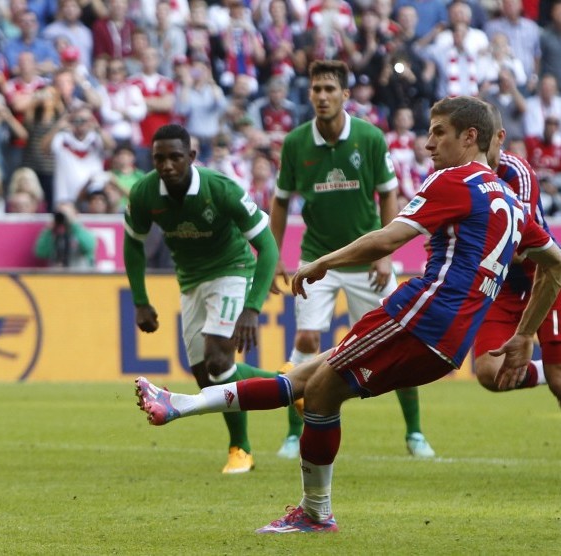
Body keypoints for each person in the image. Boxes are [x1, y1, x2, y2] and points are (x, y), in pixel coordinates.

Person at [136, 95, 561, 532]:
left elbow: (386, 240)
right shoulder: (509, 201)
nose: (428, 143)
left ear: (470, 137)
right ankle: (180, 405)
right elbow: (556, 266)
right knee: (304, 379)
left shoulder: (454, 181)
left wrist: (323, 261)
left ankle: (315, 512)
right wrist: (525, 334)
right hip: (447, 337)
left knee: (318, 393)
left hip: (419, 317)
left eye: (439, 132)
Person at [269, 60, 435, 460]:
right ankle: (294, 434)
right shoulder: (294, 143)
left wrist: (385, 254)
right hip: (317, 261)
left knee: (400, 343)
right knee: (306, 340)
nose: (322, 96)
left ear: (345, 95)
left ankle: (415, 433)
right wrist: (275, 257)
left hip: (367, 263)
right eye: (316, 90)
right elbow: (279, 202)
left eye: (330, 89)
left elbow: (388, 194)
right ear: (309, 94)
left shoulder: (369, 137)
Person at [124, 123, 283, 474]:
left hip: (232, 269)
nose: (166, 165)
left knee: (217, 359)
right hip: (191, 281)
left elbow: (266, 243)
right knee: (205, 377)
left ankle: (240, 448)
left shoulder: (220, 189)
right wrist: (140, 300)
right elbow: (133, 244)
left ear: (191, 157)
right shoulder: (144, 193)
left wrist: (253, 307)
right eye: (159, 158)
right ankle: (290, 384)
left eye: (175, 157)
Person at [474, 104, 561, 404]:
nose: (479, 151)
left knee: (559, 382)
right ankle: (542, 371)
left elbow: (517, 248)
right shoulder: (457, 176)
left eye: (486, 142)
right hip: (501, 288)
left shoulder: (517, 173)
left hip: (542, 276)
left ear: (499, 138)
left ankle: (553, 373)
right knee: (489, 372)